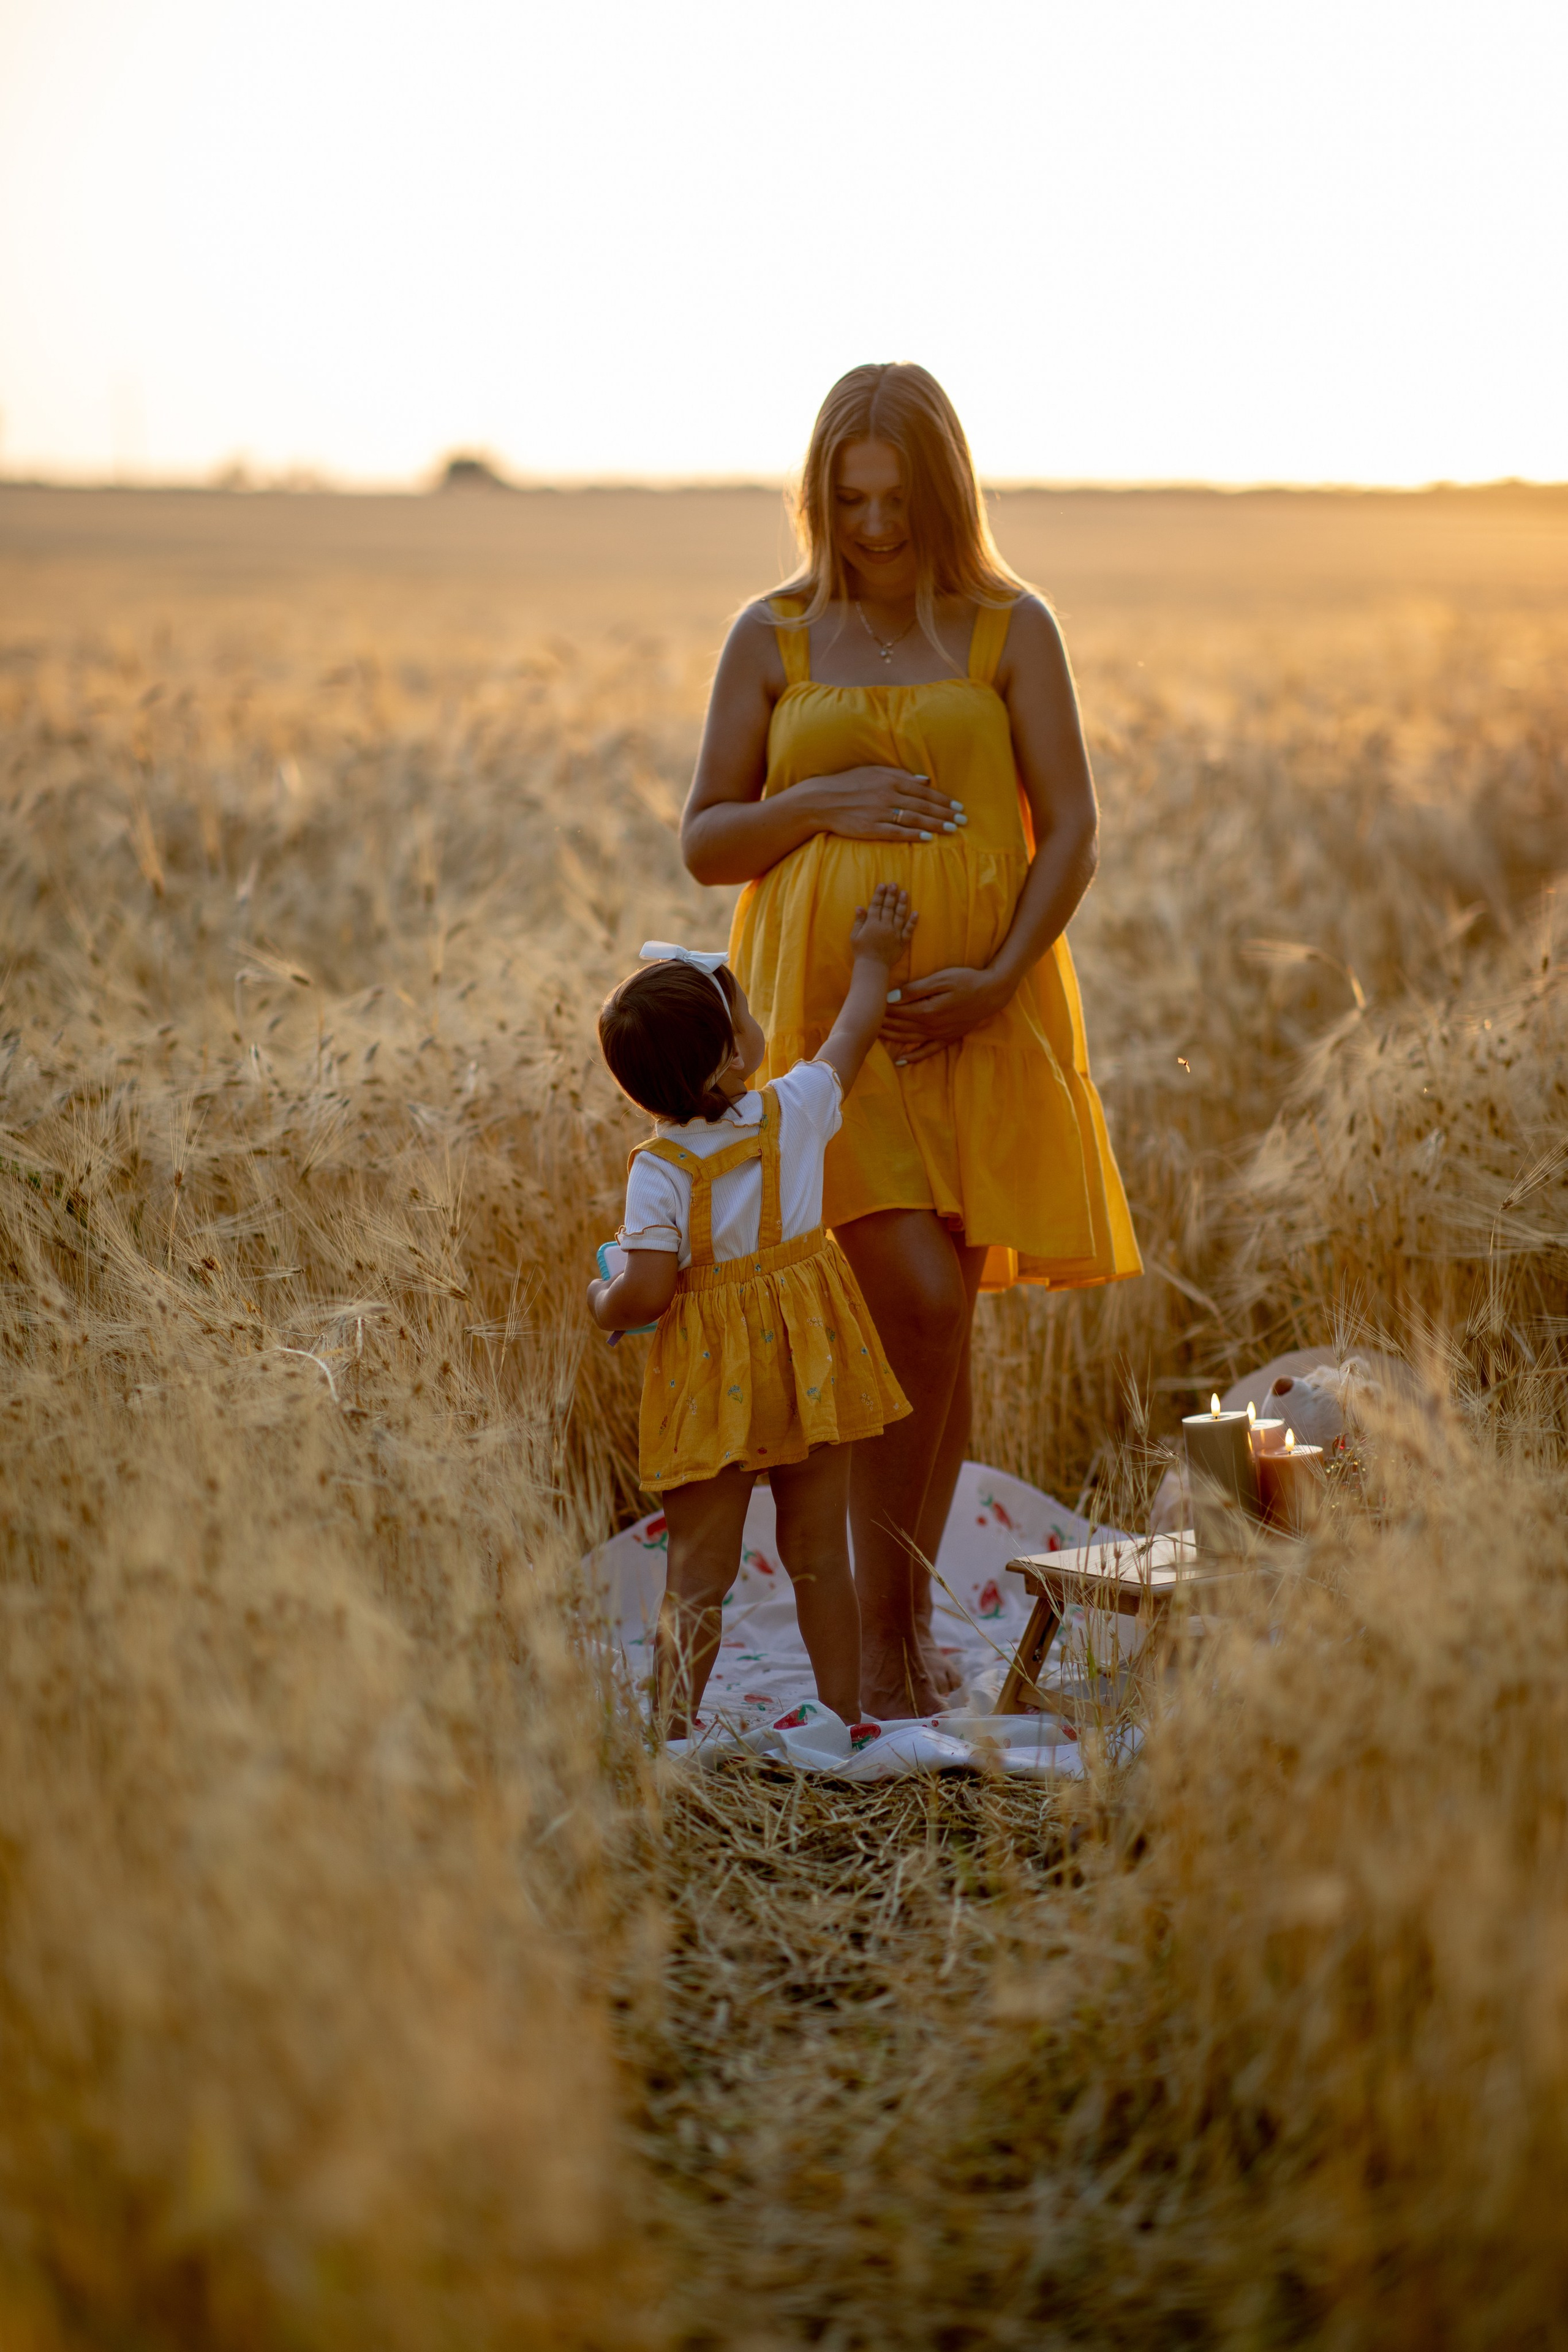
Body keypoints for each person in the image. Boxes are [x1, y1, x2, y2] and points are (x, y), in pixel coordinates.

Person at [679, 363, 1142, 1719]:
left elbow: (1071, 828)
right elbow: (708, 839)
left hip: (978, 1022)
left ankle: (898, 1616)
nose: (871, 525)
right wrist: (819, 797)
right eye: (847, 497)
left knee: (942, 1335)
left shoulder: (1009, 625)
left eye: (894, 498)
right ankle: (883, 1637)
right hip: (827, 1037)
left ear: (940, 492)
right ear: (817, 496)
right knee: (920, 1303)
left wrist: (998, 978)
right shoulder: (770, 634)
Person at [589, 885, 918, 1735]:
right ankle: (846, 1719)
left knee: (699, 1567)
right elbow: (853, 1034)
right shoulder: (795, 1110)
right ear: (733, 1058)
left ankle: (668, 1734)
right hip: (807, 1356)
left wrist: (604, 1300)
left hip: (710, 1377)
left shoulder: (657, 1170)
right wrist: (874, 959)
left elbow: (649, 1291)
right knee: (817, 1557)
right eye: (743, 1010)